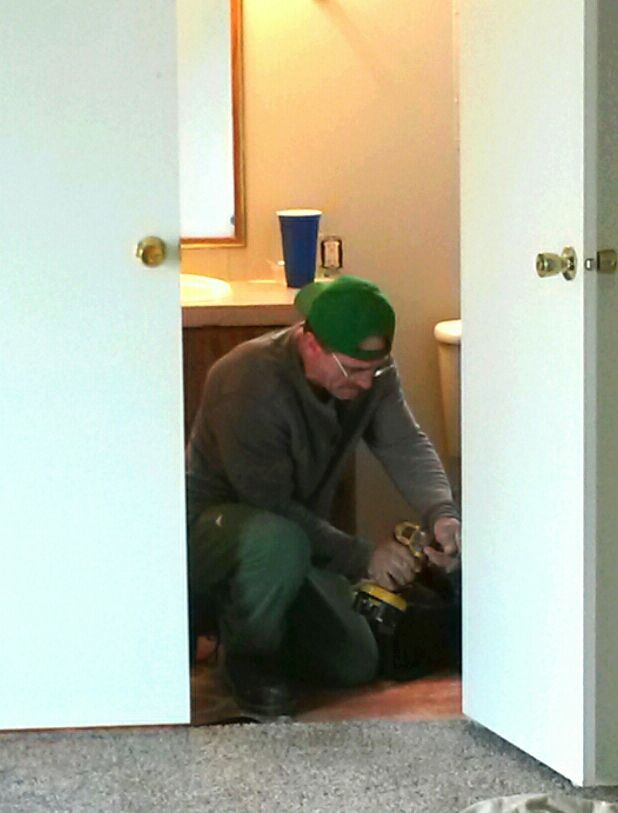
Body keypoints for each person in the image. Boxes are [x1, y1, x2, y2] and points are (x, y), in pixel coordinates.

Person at [186, 275, 461, 717]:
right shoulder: (246, 379)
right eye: (353, 369)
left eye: (376, 369)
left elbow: (404, 443)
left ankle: (246, 620)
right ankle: (246, 659)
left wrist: (444, 515)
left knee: (356, 660)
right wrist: (363, 557)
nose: (367, 383)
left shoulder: (371, 377)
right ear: (309, 343)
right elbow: (268, 504)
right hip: (217, 536)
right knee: (277, 541)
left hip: (293, 541)